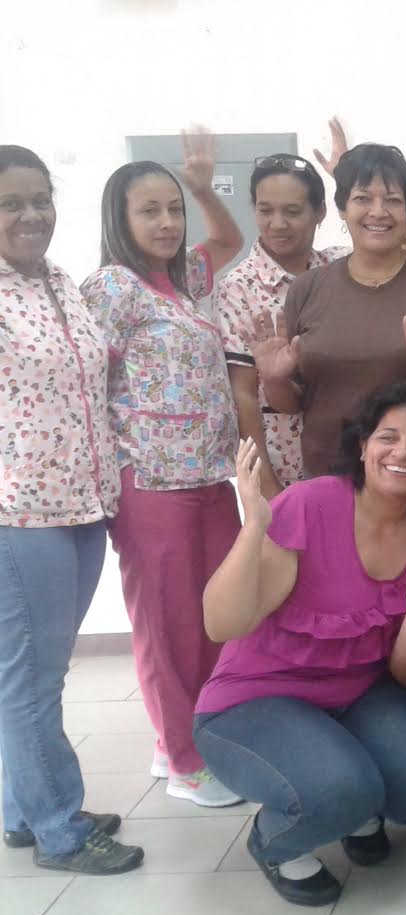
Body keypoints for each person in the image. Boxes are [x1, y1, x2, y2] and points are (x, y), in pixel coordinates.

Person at [194, 383, 406, 906]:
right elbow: (222, 625)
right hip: (256, 699)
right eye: (387, 437)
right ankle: (276, 841)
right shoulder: (309, 504)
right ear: (363, 447)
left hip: (355, 696)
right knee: (339, 790)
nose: (401, 452)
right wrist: (254, 527)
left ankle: (350, 796)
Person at [81, 128, 245, 808]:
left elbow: (231, 242)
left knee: (216, 619)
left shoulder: (180, 284)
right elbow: (88, 383)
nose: (166, 222)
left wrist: (204, 186)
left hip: (210, 477)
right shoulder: (114, 287)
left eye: (172, 208)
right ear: (119, 220)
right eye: (149, 210)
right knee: (166, 625)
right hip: (150, 483)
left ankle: (175, 741)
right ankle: (184, 759)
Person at [0, 145, 142, 874]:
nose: (30, 215)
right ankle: (59, 825)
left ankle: (24, 807)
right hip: (20, 512)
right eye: (10, 203)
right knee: (31, 676)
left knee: (31, 672)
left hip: (84, 503)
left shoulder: (60, 281)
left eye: (39, 199)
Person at [250, 143, 406, 479]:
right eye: (363, 198)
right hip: (326, 477)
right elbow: (294, 403)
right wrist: (274, 380)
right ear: (342, 209)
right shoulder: (308, 288)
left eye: (392, 200)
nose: (378, 212)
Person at [216, 154, 348, 498]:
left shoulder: (339, 268)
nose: (278, 223)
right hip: (282, 464)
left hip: (348, 458)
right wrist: (268, 488)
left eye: (292, 211)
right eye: (265, 210)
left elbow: (393, 238)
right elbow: (242, 393)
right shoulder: (240, 287)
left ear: (319, 212)